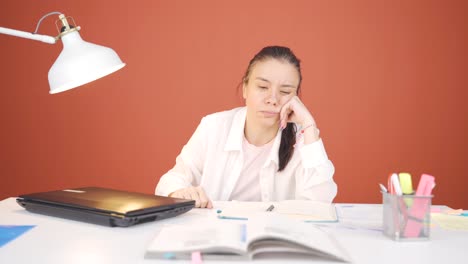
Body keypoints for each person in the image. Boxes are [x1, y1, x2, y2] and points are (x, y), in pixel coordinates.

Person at [155, 46, 337, 208]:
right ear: (245, 89)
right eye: (263, 87)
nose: (272, 99)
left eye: (285, 92)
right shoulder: (214, 127)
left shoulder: (305, 138)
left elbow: (321, 203)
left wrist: (309, 125)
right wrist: (179, 192)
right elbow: (171, 180)